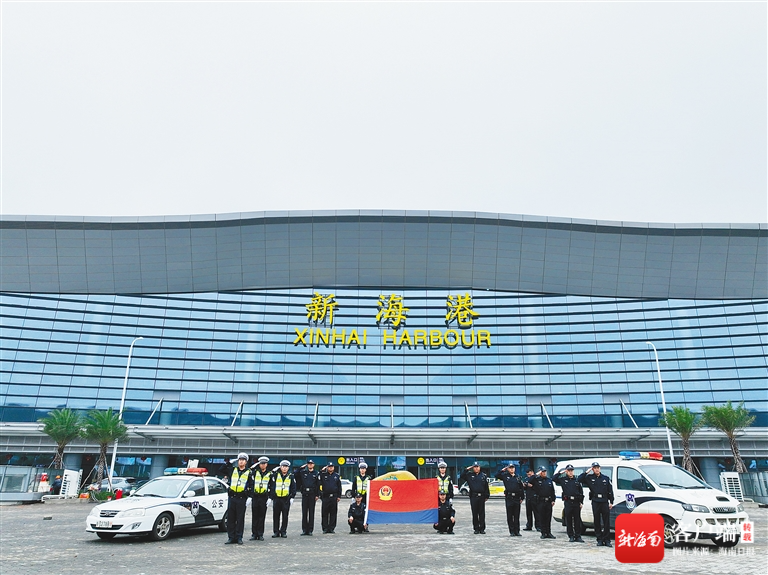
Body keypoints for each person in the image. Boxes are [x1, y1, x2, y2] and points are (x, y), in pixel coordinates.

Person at [578, 461, 614, 547]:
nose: (597, 469)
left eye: (598, 468)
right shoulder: (589, 478)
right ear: (592, 469)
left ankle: (607, 540)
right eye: (595, 468)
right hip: (595, 501)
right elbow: (579, 479)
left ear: (600, 468)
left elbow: (610, 490)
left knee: (606, 522)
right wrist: (587, 471)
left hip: (604, 501)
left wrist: (611, 501)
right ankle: (600, 539)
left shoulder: (605, 478)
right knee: (597, 521)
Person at [553, 464, 585, 542]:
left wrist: (581, 502)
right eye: (569, 471)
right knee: (569, 520)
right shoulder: (563, 480)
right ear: (566, 471)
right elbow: (554, 478)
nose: (570, 472)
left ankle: (578, 536)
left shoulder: (576, 480)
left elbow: (581, 492)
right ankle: (571, 535)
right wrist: (561, 472)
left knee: (577, 520)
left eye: (571, 471)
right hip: (568, 502)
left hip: (576, 502)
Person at [225, 452, 252, 544]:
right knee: (231, 519)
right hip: (232, 497)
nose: (241, 462)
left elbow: (252, 485)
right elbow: (221, 470)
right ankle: (231, 537)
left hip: (241, 498)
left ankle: (239, 537)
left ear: (246, 462)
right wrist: (229, 463)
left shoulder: (249, 472)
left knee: (240, 519)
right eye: (240, 460)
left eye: (243, 460)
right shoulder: (233, 470)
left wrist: (250, 497)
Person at [459, 462, 490, 534]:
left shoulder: (483, 475)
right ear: (473, 468)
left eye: (477, 467)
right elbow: (461, 476)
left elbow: (486, 486)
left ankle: (482, 529)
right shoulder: (469, 475)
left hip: (481, 496)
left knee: (482, 513)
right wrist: (466, 469)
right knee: (475, 513)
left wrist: (487, 495)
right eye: (475, 467)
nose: (476, 468)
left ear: (479, 467)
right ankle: (476, 528)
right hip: (473, 496)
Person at [268, 460, 296, 538]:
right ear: (280, 467)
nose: (284, 468)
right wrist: (271, 497)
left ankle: (283, 531)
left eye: (286, 467)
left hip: (286, 499)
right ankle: (276, 532)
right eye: (283, 467)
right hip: (277, 498)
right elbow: (272, 485)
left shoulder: (291, 476)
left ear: (288, 468)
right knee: (276, 516)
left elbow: (293, 487)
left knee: (285, 516)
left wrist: (292, 497)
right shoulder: (276, 475)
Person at [495, 463, 524, 536]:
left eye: (513, 468)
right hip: (509, 498)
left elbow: (521, 488)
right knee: (510, 515)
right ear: (508, 469)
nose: (512, 469)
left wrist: (522, 497)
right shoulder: (505, 476)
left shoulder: (518, 477)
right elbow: (497, 475)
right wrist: (503, 470)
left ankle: (517, 531)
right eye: (510, 468)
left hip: (517, 498)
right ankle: (512, 531)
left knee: (517, 516)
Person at [295, 459, 320, 535]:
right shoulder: (303, 473)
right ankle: (304, 530)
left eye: (311, 464)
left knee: (311, 513)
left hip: (312, 495)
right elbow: (295, 474)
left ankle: (310, 530)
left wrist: (317, 495)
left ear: (313, 465)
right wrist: (301, 468)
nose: (310, 465)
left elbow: (318, 484)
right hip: (305, 494)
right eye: (308, 464)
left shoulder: (316, 473)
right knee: (304, 512)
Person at [249, 456, 271, 541]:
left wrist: (270, 497)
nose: (262, 465)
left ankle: (260, 534)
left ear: (267, 464)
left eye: (264, 463)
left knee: (262, 516)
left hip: (263, 497)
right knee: (255, 516)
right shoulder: (255, 472)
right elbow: (249, 471)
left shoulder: (270, 474)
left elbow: (272, 486)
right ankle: (254, 534)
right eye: (261, 463)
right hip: (255, 496)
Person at [532, 466, 556, 539]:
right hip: (540, 501)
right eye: (542, 471)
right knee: (542, 517)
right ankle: (543, 533)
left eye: (545, 471)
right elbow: (530, 480)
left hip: (548, 502)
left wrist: (553, 500)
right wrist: (536, 474)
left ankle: (548, 532)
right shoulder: (536, 480)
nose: (544, 473)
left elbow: (552, 491)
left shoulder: (549, 480)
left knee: (548, 518)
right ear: (540, 472)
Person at [319, 461, 342, 534]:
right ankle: (325, 528)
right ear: (327, 467)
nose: (330, 468)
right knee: (324, 513)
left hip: (334, 497)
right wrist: (322, 470)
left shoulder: (337, 475)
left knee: (333, 513)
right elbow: (317, 479)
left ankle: (331, 528)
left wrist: (339, 496)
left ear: (333, 467)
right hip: (325, 497)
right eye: (329, 467)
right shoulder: (323, 475)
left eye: (331, 467)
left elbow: (339, 487)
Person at [353, 462, 371, 531]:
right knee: (357, 511)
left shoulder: (369, 478)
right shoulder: (356, 477)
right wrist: (353, 496)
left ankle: (365, 527)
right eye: (361, 469)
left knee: (366, 512)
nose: (362, 470)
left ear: (365, 470)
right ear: (359, 470)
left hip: (366, 497)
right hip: (358, 497)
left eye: (364, 469)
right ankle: (358, 526)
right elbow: (353, 488)